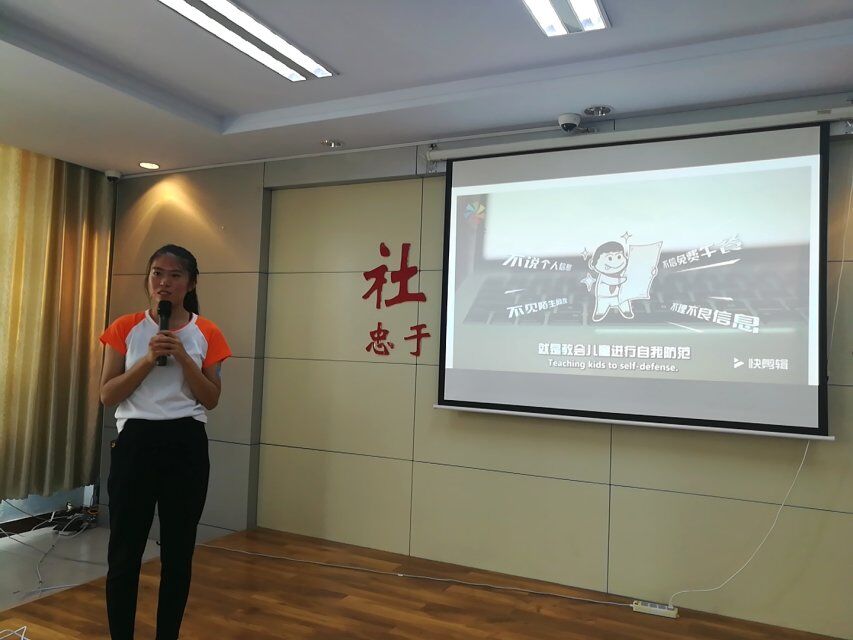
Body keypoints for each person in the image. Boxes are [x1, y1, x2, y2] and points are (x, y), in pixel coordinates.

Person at [99, 244, 231, 640]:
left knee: (178, 552)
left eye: (175, 275)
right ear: (148, 279)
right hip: (135, 444)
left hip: (185, 444)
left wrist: (184, 357)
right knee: (124, 553)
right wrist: (146, 360)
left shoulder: (207, 332)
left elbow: (211, 398)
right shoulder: (125, 328)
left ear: (191, 283)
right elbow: (107, 395)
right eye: (157, 273)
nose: (164, 283)